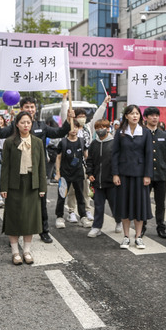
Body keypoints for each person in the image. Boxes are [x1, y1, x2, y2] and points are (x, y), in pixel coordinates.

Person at [0, 96, 74, 243]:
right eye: (26, 107)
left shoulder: (41, 125)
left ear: (35, 109)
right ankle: (16, 235)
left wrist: (69, 120)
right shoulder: (15, 126)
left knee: (41, 203)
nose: (30, 110)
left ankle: (44, 231)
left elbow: (59, 133)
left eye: (32, 107)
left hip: (37, 172)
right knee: (17, 205)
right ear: (21, 110)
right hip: (18, 173)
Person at [0, 110, 47, 265]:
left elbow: (41, 167)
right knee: (13, 217)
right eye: (22, 122)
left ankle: (26, 251)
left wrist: (42, 187)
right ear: (17, 124)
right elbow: (5, 166)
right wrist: (3, 187)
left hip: (32, 183)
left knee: (30, 219)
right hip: (14, 184)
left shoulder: (37, 142)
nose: (26, 125)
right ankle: (15, 253)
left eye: (28, 122)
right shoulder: (9, 142)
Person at [60, 95, 111, 223]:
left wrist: (104, 103)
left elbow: (97, 117)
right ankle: (71, 211)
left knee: (85, 188)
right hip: (70, 163)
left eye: (84, 116)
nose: (82, 118)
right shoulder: (71, 128)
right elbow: (64, 115)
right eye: (79, 116)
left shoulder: (88, 128)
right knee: (71, 189)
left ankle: (87, 209)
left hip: (84, 163)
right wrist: (65, 101)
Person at [112, 104, 153, 250]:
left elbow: (149, 154)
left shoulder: (146, 132)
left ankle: (138, 237)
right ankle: (126, 236)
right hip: (124, 174)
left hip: (140, 175)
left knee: (139, 207)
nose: (135, 116)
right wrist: (115, 173)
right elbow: (115, 153)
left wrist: (148, 174)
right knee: (124, 205)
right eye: (132, 113)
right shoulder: (120, 132)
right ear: (126, 116)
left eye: (137, 113)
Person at [142, 107, 166, 239]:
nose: (154, 118)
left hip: (161, 174)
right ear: (145, 118)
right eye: (151, 115)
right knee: (144, 202)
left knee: (160, 203)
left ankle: (161, 227)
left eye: (156, 115)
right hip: (145, 174)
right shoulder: (141, 134)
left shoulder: (164, 135)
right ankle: (142, 226)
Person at [85, 119, 119, 237]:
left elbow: (118, 161)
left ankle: (118, 220)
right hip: (97, 182)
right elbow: (89, 161)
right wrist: (90, 174)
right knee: (98, 206)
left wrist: (116, 175)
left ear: (108, 128)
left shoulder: (114, 143)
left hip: (111, 181)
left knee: (115, 204)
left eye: (102, 127)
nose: (100, 130)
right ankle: (96, 227)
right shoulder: (94, 144)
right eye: (98, 127)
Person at [54, 120, 90, 229]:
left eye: (76, 127)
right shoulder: (63, 142)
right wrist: (58, 173)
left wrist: (90, 169)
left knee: (80, 196)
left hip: (78, 173)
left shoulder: (82, 141)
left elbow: (86, 156)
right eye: (71, 127)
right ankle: (59, 217)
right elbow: (58, 157)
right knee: (62, 196)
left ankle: (83, 216)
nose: (73, 129)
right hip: (65, 174)